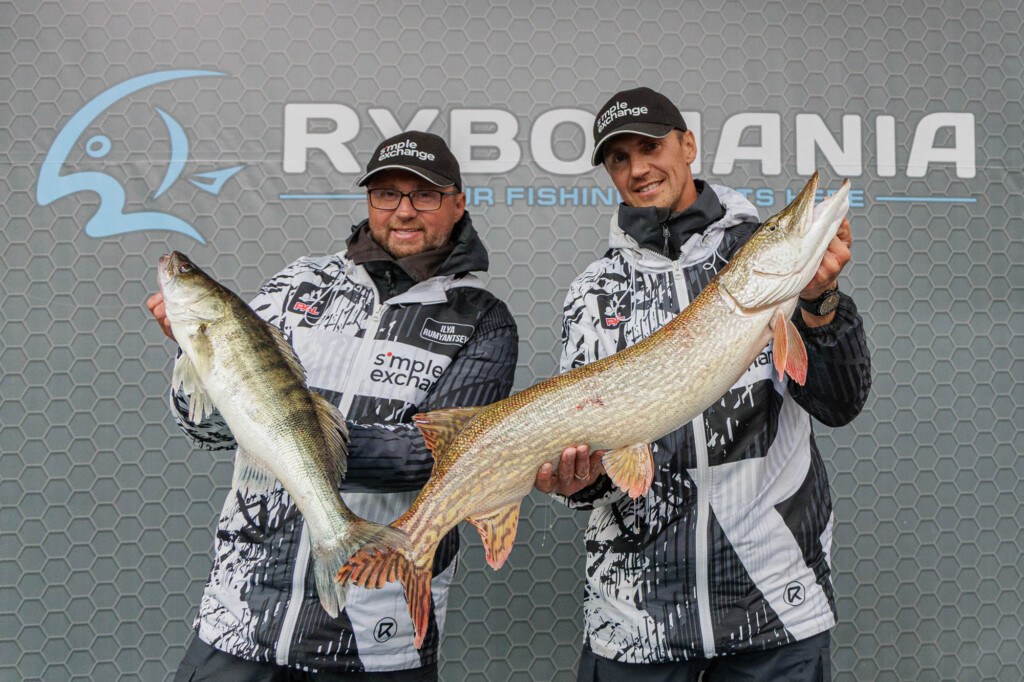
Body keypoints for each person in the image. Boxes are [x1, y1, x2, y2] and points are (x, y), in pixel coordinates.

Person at [148, 131, 518, 681]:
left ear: (458, 203)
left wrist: (298, 439)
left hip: (374, 637)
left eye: (425, 195)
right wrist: (195, 358)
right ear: (369, 201)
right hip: (238, 618)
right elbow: (206, 430)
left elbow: (440, 457)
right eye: (386, 194)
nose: (404, 211)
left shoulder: (482, 320)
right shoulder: (298, 284)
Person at [534, 87, 871, 681]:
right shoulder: (593, 290)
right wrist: (576, 482)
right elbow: (589, 476)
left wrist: (819, 303)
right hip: (636, 624)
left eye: (651, 147)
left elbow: (840, 402)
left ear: (688, 145)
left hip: (773, 611)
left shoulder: (756, 255)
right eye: (619, 158)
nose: (638, 168)